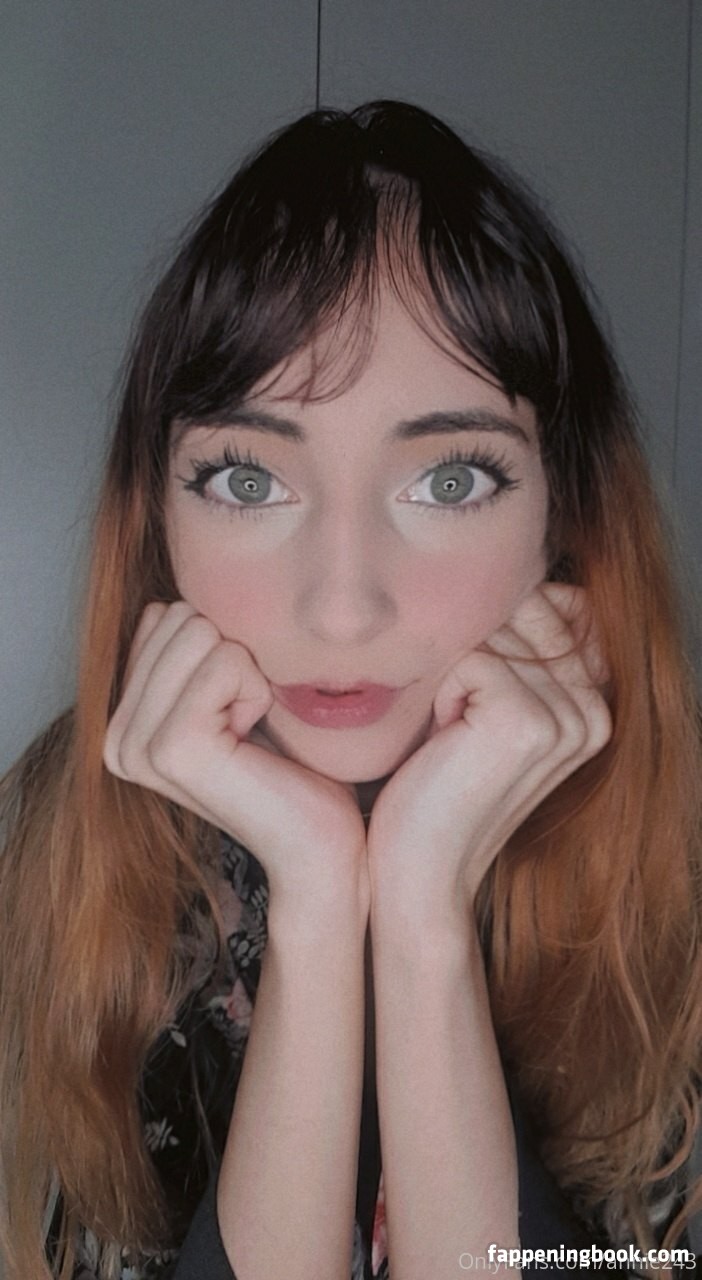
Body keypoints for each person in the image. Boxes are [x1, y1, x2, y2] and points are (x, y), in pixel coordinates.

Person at [1, 100, 700, 1280]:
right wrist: (319, 899)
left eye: (450, 479)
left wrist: (423, 913)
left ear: (564, 515)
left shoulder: (681, 868)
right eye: (247, 479)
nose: (340, 608)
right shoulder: (41, 850)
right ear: (158, 516)